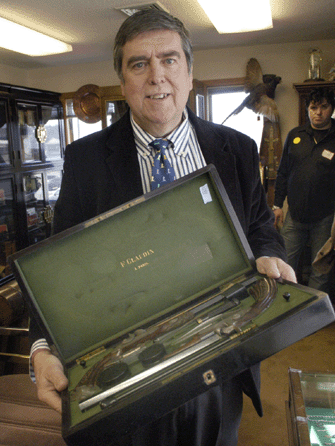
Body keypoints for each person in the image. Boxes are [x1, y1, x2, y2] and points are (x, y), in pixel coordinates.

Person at [30, 9, 296, 446]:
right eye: (139, 63)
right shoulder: (85, 161)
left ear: (190, 74)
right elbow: (58, 272)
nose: (157, 76)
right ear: (123, 79)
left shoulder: (237, 149)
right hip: (127, 372)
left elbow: (261, 228)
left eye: (170, 60)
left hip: (221, 355)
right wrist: (42, 349)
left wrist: (271, 255)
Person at [273, 87, 335, 293]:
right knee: (284, 263)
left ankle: (314, 313)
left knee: (320, 270)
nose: (318, 112)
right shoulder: (295, 135)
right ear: (308, 109)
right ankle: (284, 307)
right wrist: (277, 205)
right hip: (295, 216)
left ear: (332, 109)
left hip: (325, 219)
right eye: (313, 107)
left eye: (324, 107)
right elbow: (282, 172)